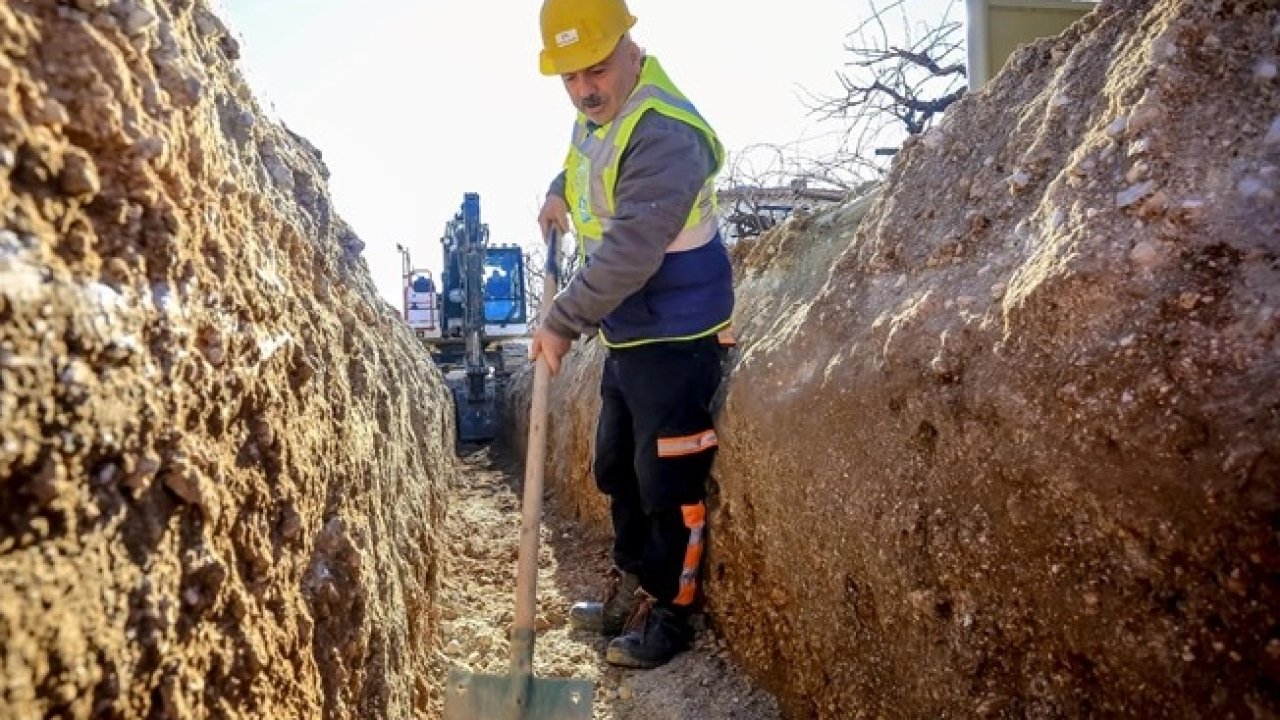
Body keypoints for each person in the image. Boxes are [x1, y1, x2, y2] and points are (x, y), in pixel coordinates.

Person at [529, 0, 735, 670]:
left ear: (629, 45)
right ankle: (636, 582)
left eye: (594, 69)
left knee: (665, 478)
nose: (584, 89)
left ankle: (671, 613)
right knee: (616, 467)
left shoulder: (664, 133)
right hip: (631, 330)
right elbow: (586, 162)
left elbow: (631, 250)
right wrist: (559, 190)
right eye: (569, 78)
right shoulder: (602, 115)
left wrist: (561, 320)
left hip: (677, 334)